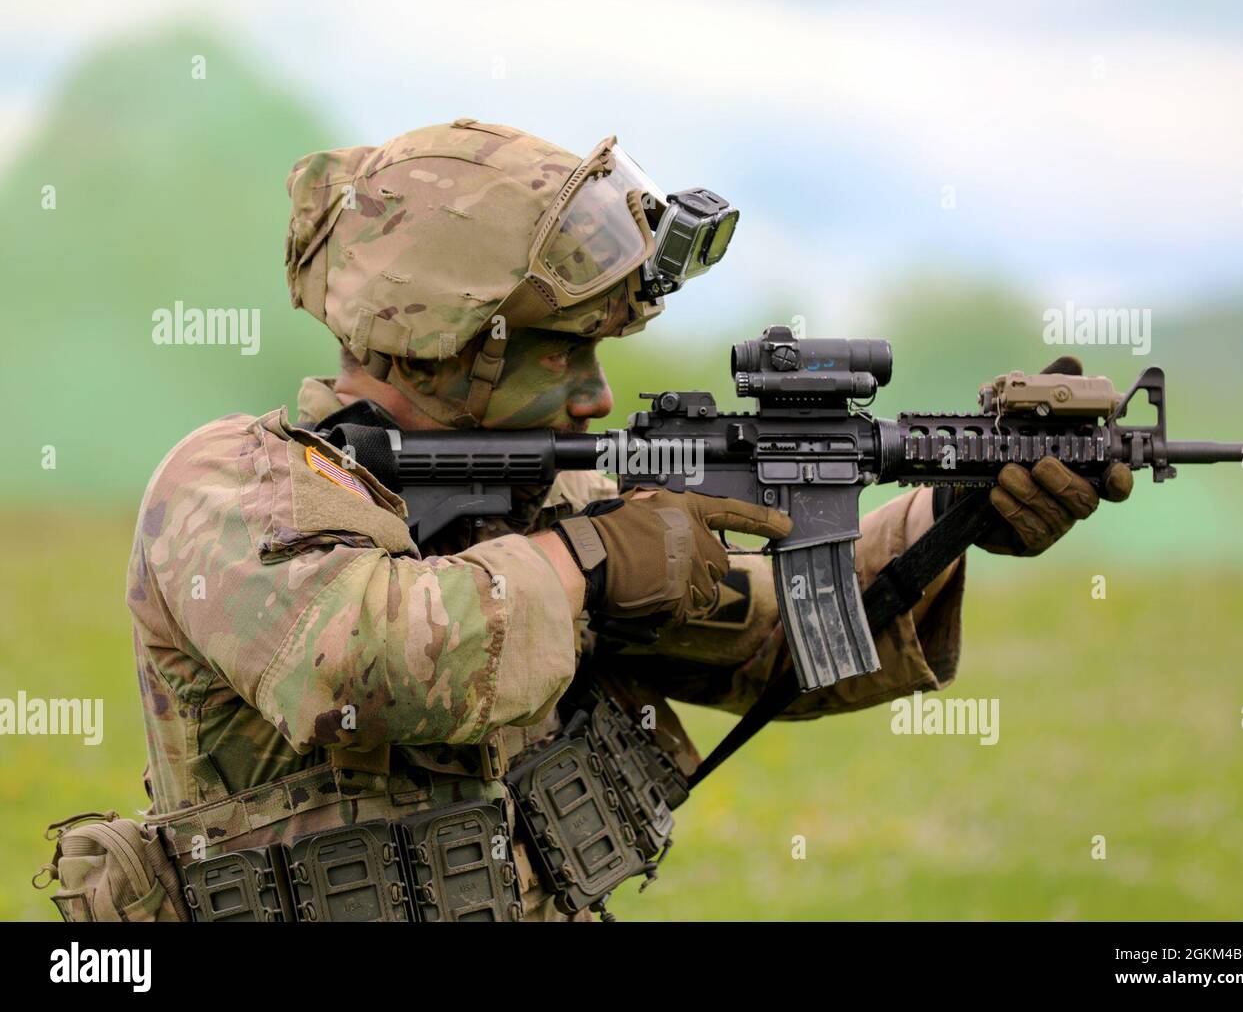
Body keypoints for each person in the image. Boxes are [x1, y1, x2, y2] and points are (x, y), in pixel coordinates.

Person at [125, 119, 1132, 921]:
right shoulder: (229, 485)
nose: (599, 395)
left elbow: (784, 636)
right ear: (453, 341)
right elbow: (360, 664)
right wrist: (591, 561)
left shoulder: (552, 504)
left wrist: (955, 514)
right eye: (566, 351)